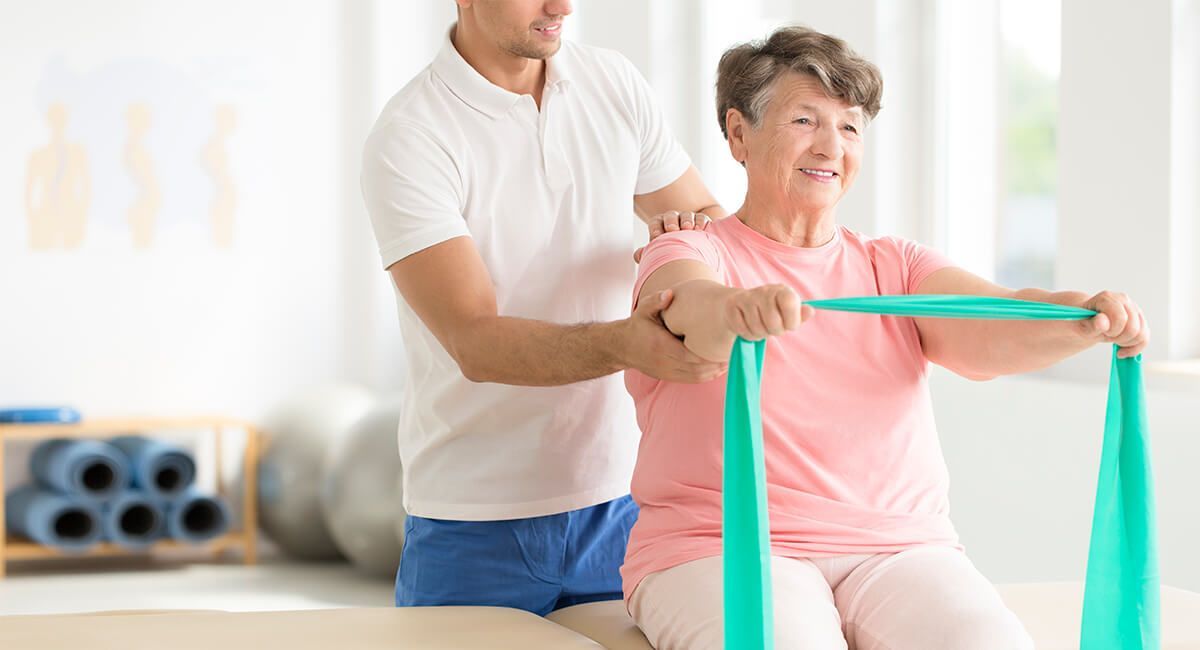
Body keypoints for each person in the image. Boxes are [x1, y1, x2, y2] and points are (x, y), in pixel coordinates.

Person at [621, 25, 1148, 649]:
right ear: (738, 133)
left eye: (849, 127)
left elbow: (995, 319)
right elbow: (688, 313)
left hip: (899, 548)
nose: (830, 146)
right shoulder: (689, 248)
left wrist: (1082, 316)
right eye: (804, 120)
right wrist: (737, 311)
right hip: (717, 542)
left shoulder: (892, 266)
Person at [360, 0, 727, 615]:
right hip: (475, 519)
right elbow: (475, 341)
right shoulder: (411, 135)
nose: (561, 7)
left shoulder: (611, 82)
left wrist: (685, 245)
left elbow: (710, 225)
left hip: (627, 498)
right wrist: (626, 344)